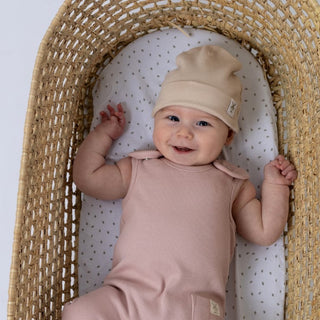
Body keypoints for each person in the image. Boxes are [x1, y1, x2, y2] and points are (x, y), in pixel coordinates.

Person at [62, 45, 297, 319]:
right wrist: (104, 135)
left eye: (203, 124)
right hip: (126, 296)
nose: (183, 133)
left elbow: (264, 232)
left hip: (191, 305)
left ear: (228, 137)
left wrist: (275, 186)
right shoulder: (139, 167)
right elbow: (87, 179)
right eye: (172, 118)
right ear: (156, 120)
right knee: (81, 311)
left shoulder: (232, 183)